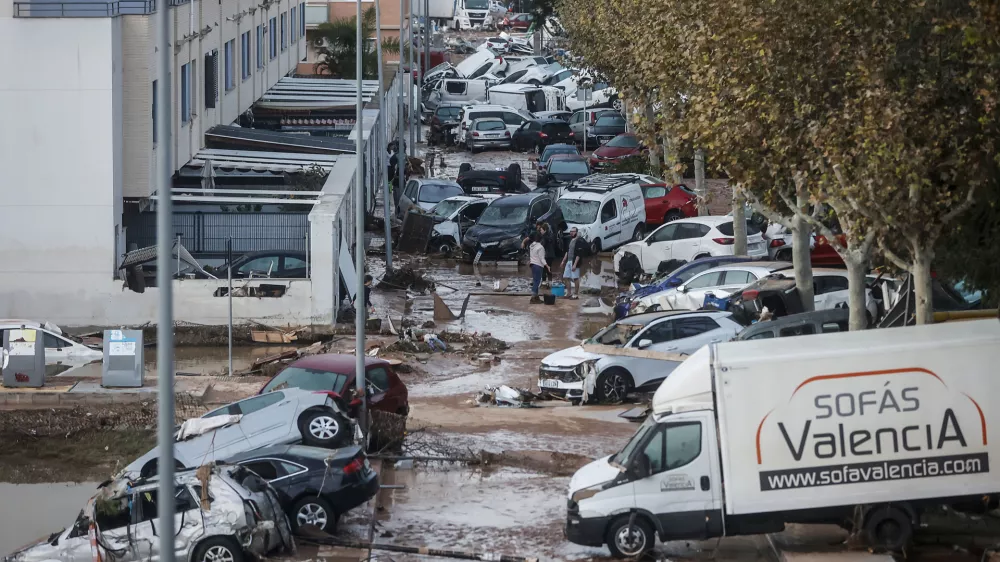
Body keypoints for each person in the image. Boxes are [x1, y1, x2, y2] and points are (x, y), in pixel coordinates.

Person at [524, 233, 548, 303]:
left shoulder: (531, 246)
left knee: (535, 281)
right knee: (537, 282)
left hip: (533, 265)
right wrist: (547, 265)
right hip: (538, 265)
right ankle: (533, 297)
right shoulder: (540, 247)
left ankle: (536, 297)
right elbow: (542, 259)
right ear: (541, 239)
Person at [561, 227, 583, 299]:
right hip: (568, 261)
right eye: (570, 231)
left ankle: (576, 294)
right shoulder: (570, 240)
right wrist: (563, 261)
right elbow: (567, 251)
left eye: (573, 231)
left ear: (576, 232)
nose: (571, 233)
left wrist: (575, 264)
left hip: (574, 261)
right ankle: (569, 293)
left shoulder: (579, 241)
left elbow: (579, 254)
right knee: (565, 277)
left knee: (575, 278)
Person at [537, 221, 555, 286]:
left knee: (544, 269)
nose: (540, 231)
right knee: (548, 268)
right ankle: (550, 282)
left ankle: (544, 283)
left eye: (541, 230)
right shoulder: (550, 235)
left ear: (545, 230)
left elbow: (542, 246)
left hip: (547, 256)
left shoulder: (545, 237)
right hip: (551, 255)